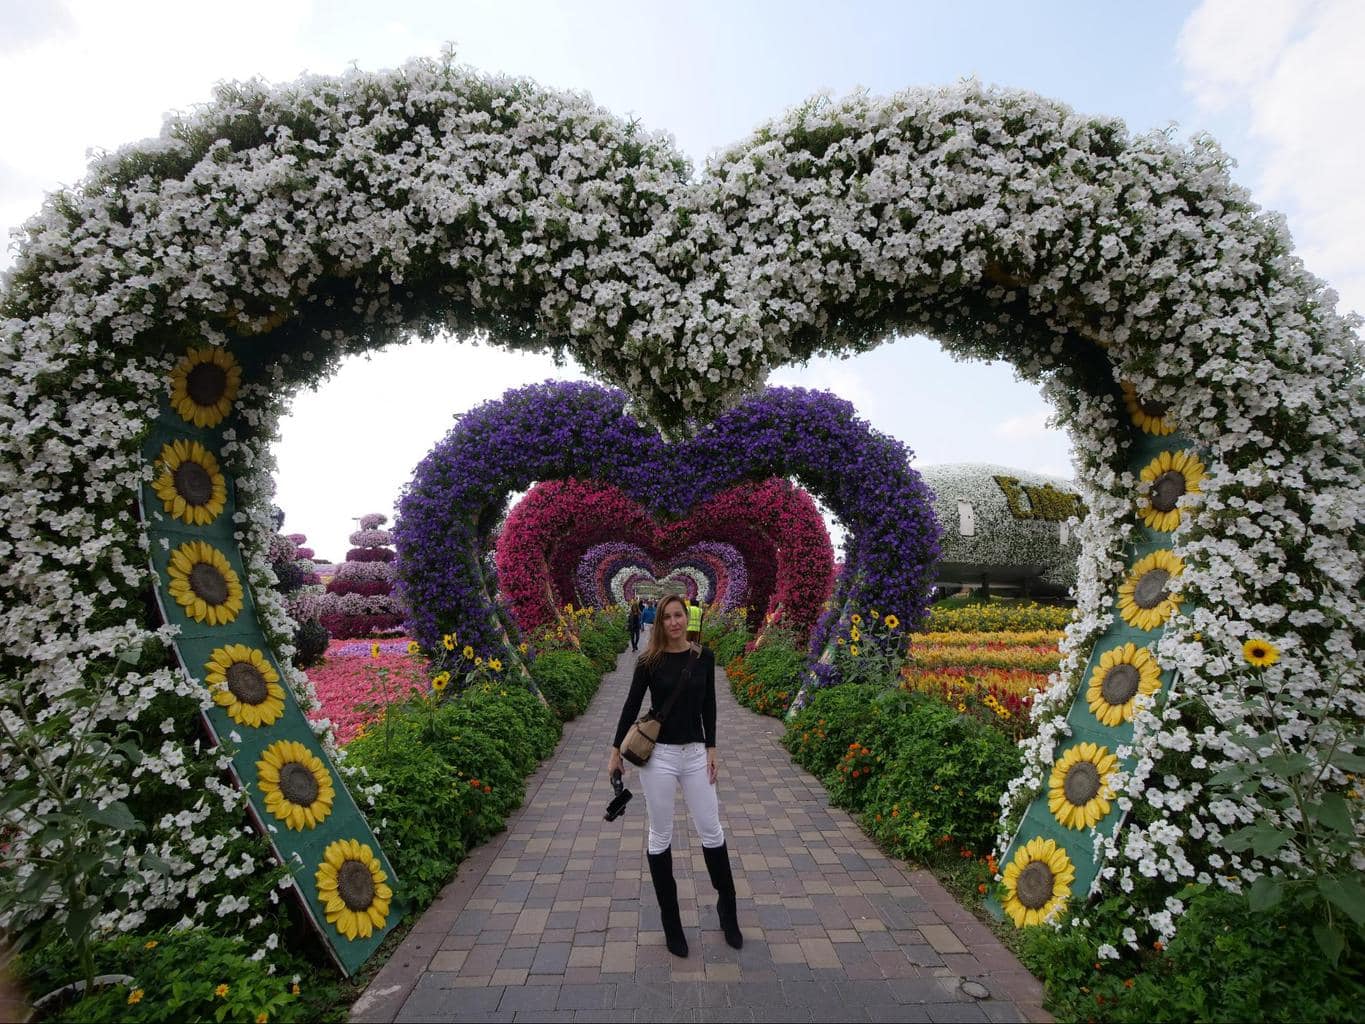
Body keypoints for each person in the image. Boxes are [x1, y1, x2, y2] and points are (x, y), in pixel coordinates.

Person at [608, 594, 742, 957]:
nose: (673, 622)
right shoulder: (649, 661)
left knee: (711, 828)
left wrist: (712, 747)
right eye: (666, 617)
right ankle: (671, 921)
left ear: (688, 617)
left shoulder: (704, 657)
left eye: (678, 615)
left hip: (696, 754)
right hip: (659, 758)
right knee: (660, 834)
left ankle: (727, 909)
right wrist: (614, 752)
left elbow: (709, 705)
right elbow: (631, 705)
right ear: (660, 621)